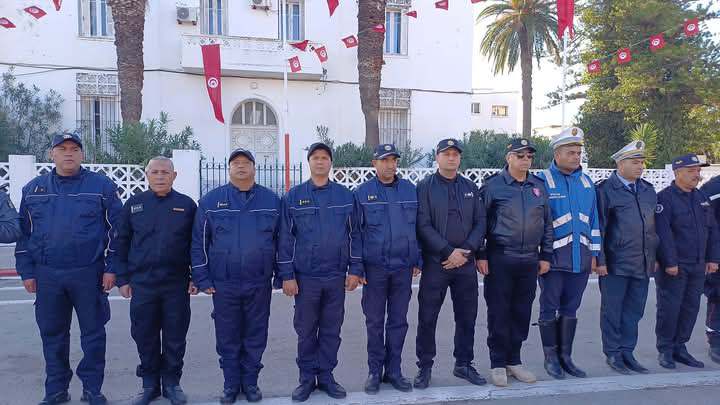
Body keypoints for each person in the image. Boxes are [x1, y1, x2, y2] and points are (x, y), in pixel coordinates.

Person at [15, 132, 122, 405]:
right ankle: (56, 390)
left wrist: (111, 268)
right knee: (52, 335)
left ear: (82, 154)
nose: (68, 153)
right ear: (52, 154)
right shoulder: (33, 189)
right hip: (48, 274)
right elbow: (24, 234)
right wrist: (27, 271)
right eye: (62, 149)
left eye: (74, 149)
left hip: (89, 273)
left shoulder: (101, 186)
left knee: (93, 335)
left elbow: (117, 231)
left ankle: (92, 389)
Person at [191, 148, 280, 404]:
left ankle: (250, 383)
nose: (241, 166)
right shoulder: (210, 202)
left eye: (246, 162)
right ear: (229, 169)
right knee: (227, 336)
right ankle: (230, 384)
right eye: (235, 163)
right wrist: (202, 278)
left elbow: (282, 240)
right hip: (224, 284)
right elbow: (199, 243)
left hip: (258, 282)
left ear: (254, 168)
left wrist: (281, 275)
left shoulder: (272, 201)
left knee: (256, 334)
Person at [277, 142, 363, 402]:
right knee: (306, 330)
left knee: (331, 330)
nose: (320, 161)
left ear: (330, 162)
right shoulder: (293, 197)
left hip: (336, 276)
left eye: (324, 157)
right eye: (315, 157)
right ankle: (306, 379)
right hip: (306, 278)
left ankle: (326, 377)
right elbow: (285, 239)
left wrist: (355, 269)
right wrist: (287, 275)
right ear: (309, 162)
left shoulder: (345, 196)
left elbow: (355, 235)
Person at [115, 157, 197, 405]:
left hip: (176, 284)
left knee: (175, 336)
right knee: (144, 335)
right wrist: (122, 279)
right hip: (143, 284)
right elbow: (121, 242)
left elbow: (196, 244)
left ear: (174, 175)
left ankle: (172, 384)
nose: (160, 176)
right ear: (147, 175)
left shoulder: (187, 205)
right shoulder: (134, 205)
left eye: (165, 172)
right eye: (155, 172)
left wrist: (196, 277)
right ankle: (149, 384)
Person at [477, 138, 553, 387]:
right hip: (501, 258)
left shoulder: (538, 187)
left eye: (529, 156)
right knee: (499, 312)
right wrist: (481, 254)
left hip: (529, 259)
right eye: (520, 156)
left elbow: (547, 224)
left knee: (521, 312)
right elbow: (480, 223)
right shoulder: (493, 186)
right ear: (508, 158)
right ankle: (498, 363)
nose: (525, 160)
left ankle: (514, 360)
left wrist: (546, 255)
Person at [414, 138, 487, 389]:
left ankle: (463, 364)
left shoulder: (470, 187)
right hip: (437, 263)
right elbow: (422, 224)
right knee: (427, 317)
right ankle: (424, 366)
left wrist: (464, 252)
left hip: (465, 263)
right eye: (446, 154)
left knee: (467, 317)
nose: (451, 158)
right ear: (437, 157)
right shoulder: (425, 187)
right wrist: (447, 251)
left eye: (455, 154)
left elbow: (481, 222)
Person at [354, 144, 421, 394]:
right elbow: (356, 233)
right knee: (374, 322)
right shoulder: (362, 193)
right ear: (374, 163)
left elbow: (418, 228)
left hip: (403, 268)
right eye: (384, 160)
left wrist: (418, 258)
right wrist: (357, 267)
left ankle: (394, 371)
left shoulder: (410, 190)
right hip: (375, 270)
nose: (390, 165)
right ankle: (374, 371)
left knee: (398, 322)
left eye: (393, 160)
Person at [536, 127, 601, 380]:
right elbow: (538, 222)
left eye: (578, 153)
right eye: (570, 152)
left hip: (580, 259)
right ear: (557, 154)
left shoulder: (587, 183)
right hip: (553, 260)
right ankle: (550, 358)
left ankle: (566, 357)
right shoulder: (542, 181)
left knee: (571, 309)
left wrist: (594, 255)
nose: (576, 157)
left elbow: (594, 221)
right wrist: (541, 256)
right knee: (548, 308)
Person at [595, 141, 658, 374]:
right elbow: (599, 228)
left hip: (642, 262)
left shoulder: (648, 190)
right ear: (620, 164)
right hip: (615, 263)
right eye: (635, 162)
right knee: (612, 311)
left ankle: (627, 352)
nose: (640, 166)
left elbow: (652, 227)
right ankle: (613, 353)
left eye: (642, 162)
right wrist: (600, 260)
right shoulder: (605, 190)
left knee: (634, 311)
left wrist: (654, 257)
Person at [655, 153, 719, 369]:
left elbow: (712, 230)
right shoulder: (665, 198)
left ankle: (680, 347)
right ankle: (665, 349)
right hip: (675, 266)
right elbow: (663, 234)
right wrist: (670, 262)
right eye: (691, 171)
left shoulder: (701, 197)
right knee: (670, 309)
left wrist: (713, 259)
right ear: (678, 173)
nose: (697, 175)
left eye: (698, 171)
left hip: (698, 265)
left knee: (690, 308)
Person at [700, 173, 720, 364]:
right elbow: (705, 224)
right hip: (717, 256)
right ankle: (716, 340)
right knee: (717, 297)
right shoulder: (714, 189)